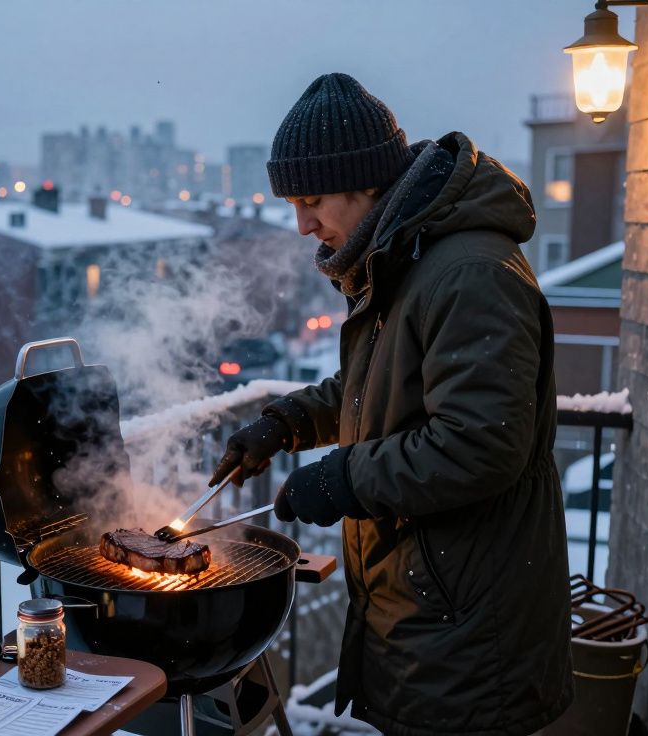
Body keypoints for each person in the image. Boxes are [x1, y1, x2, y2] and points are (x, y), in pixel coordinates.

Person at [209, 73, 573, 735]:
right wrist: (284, 423)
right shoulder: (405, 259)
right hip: (431, 609)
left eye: (312, 199)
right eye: (293, 204)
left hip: (469, 629)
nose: (302, 225)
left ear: (367, 182)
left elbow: (478, 444)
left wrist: (343, 478)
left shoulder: (468, 274)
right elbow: (376, 393)